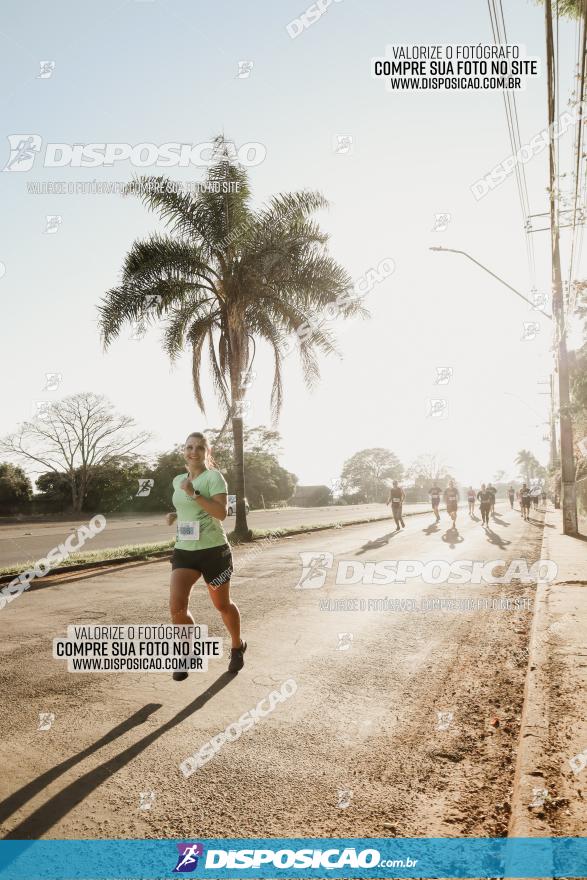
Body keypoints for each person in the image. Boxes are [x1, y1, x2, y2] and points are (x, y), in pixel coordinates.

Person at [166, 432, 246, 680]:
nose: (194, 451)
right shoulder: (178, 479)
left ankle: (237, 645)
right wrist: (176, 515)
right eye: (189, 446)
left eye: (200, 447)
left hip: (213, 551)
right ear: (184, 450)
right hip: (185, 551)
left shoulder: (214, 478)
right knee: (177, 607)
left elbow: (221, 513)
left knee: (222, 604)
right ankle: (186, 652)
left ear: (206, 452)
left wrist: (194, 494)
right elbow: (188, 508)